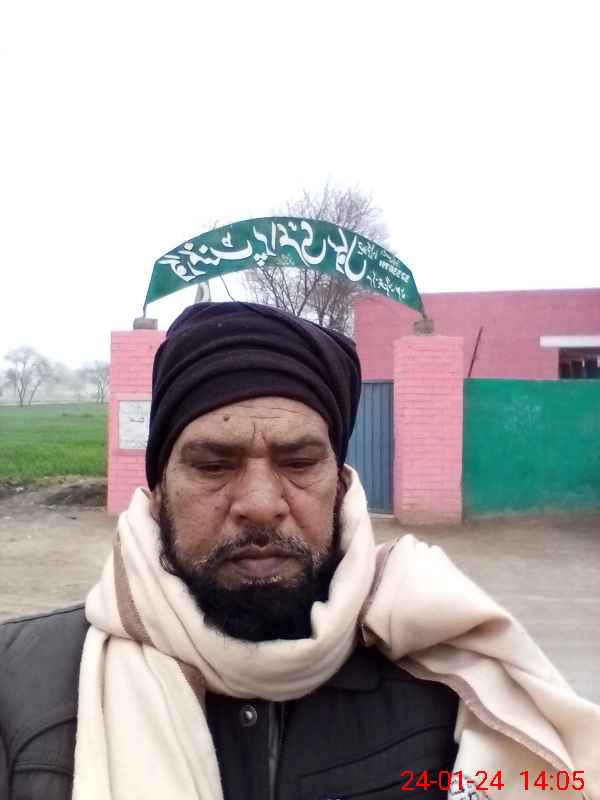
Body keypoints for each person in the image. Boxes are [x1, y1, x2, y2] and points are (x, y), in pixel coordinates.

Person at [0, 302, 598, 800]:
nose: (261, 504)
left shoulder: (459, 687)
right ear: (158, 492)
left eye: (299, 461)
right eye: (213, 465)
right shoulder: (18, 687)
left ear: (340, 484)